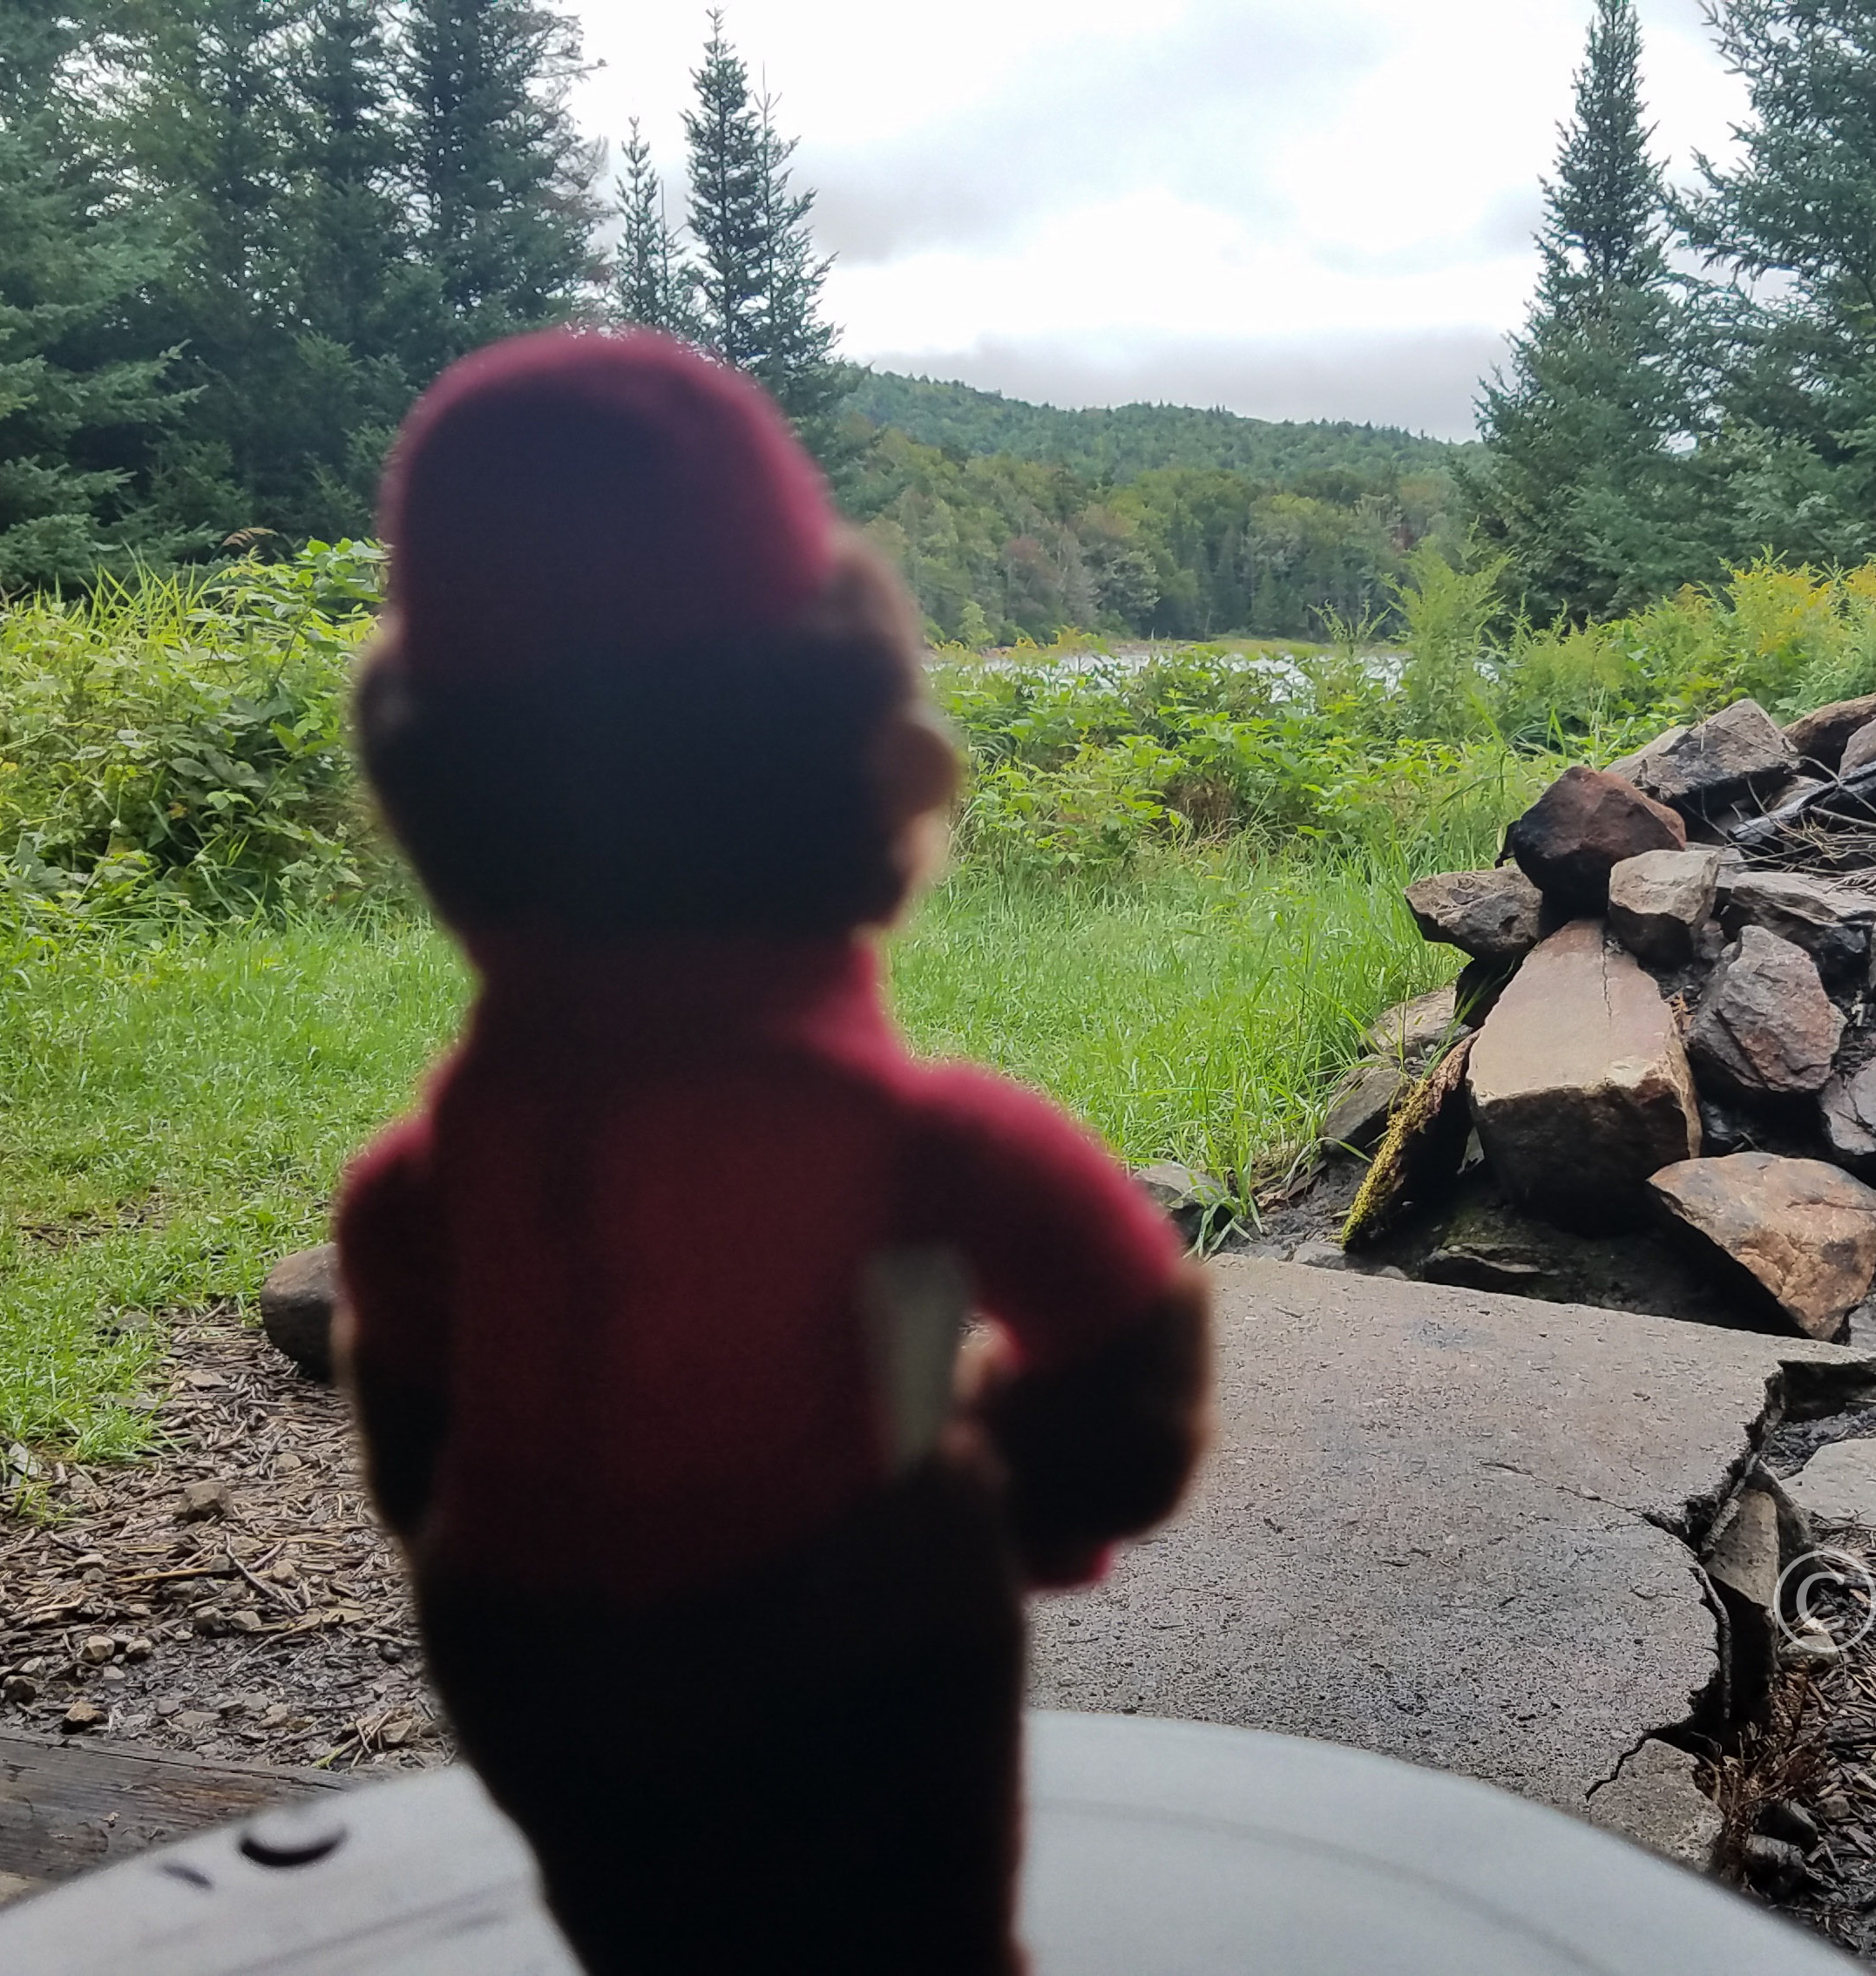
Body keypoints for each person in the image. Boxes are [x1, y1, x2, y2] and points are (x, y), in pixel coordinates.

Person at [327, 328, 1210, 1973]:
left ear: (431, 793)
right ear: (877, 771)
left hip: (530, 1646)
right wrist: (1020, 1500)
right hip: (852, 1629)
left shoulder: (434, 1173)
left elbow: (412, 1421)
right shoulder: (909, 1135)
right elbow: (1124, 1342)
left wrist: (463, 1509)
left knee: (645, 1939)